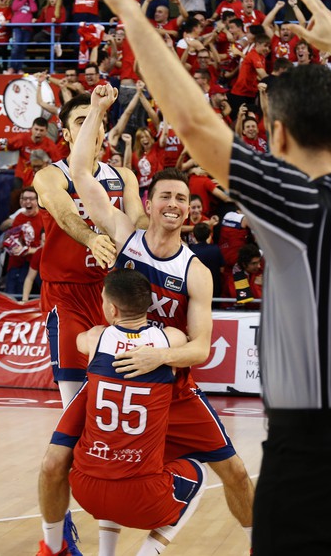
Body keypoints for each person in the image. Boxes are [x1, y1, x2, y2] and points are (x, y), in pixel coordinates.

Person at [79, 0, 331, 552]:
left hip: (313, 450)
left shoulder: (298, 203)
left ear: (278, 136)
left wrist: (129, 8)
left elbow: (196, 124)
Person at [65, 89, 255, 550]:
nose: (174, 203)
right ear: (148, 203)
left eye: (182, 198)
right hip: (119, 379)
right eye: (165, 195)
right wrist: (96, 109)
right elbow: (79, 172)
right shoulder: (125, 233)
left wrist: (158, 356)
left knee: (234, 472)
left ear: (192, 211)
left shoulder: (197, 272)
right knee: (93, 466)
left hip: (171, 384)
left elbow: (202, 347)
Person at [33, 92, 145, 555]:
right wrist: (93, 237)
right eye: (80, 119)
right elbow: (61, 210)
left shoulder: (124, 177)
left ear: (105, 131)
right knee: (75, 425)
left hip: (114, 303)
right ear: (66, 133)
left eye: (96, 120)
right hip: (68, 300)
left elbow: (135, 221)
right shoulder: (49, 174)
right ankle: (54, 542)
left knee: (110, 433)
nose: (90, 126)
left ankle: (105, 548)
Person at [41, 269, 206, 556]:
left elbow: (78, 342)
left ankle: (56, 549)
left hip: (86, 490)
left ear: (111, 308)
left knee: (100, 457)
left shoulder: (95, 337)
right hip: (142, 497)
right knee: (199, 472)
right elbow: (194, 348)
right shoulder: (172, 339)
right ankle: (148, 553)